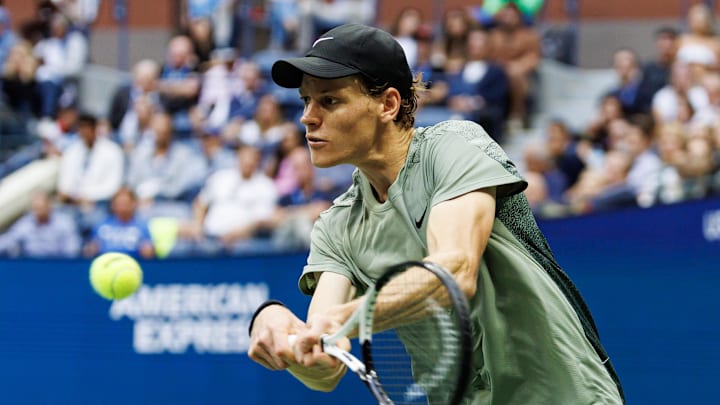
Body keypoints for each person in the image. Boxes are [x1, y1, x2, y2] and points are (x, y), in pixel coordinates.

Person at [247, 23, 624, 403]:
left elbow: (455, 272)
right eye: (305, 101)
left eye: (329, 101)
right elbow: (325, 368)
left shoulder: (454, 145)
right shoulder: (337, 226)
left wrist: (345, 317)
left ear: (388, 104)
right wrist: (280, 329)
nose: (307, 118)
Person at [0, 190, 81, 257]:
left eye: (40, 208)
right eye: (35, 208)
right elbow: (8, 240)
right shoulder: (25, 224)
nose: (37, 212)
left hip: (58, 268)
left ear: (48, 205)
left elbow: (72, 250)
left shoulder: (64, 223)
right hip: (31, 269)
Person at [83, 187, 155, 259]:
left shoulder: (142, 226)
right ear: (113, 205)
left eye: (126, 203)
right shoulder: (101, 225)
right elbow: (91, 249)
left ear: (133, 204)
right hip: (106, 263)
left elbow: (148, 252)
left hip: (132, 263)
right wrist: (91, 249)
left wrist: (147, 249)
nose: (123, 207)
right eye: (119, 203)